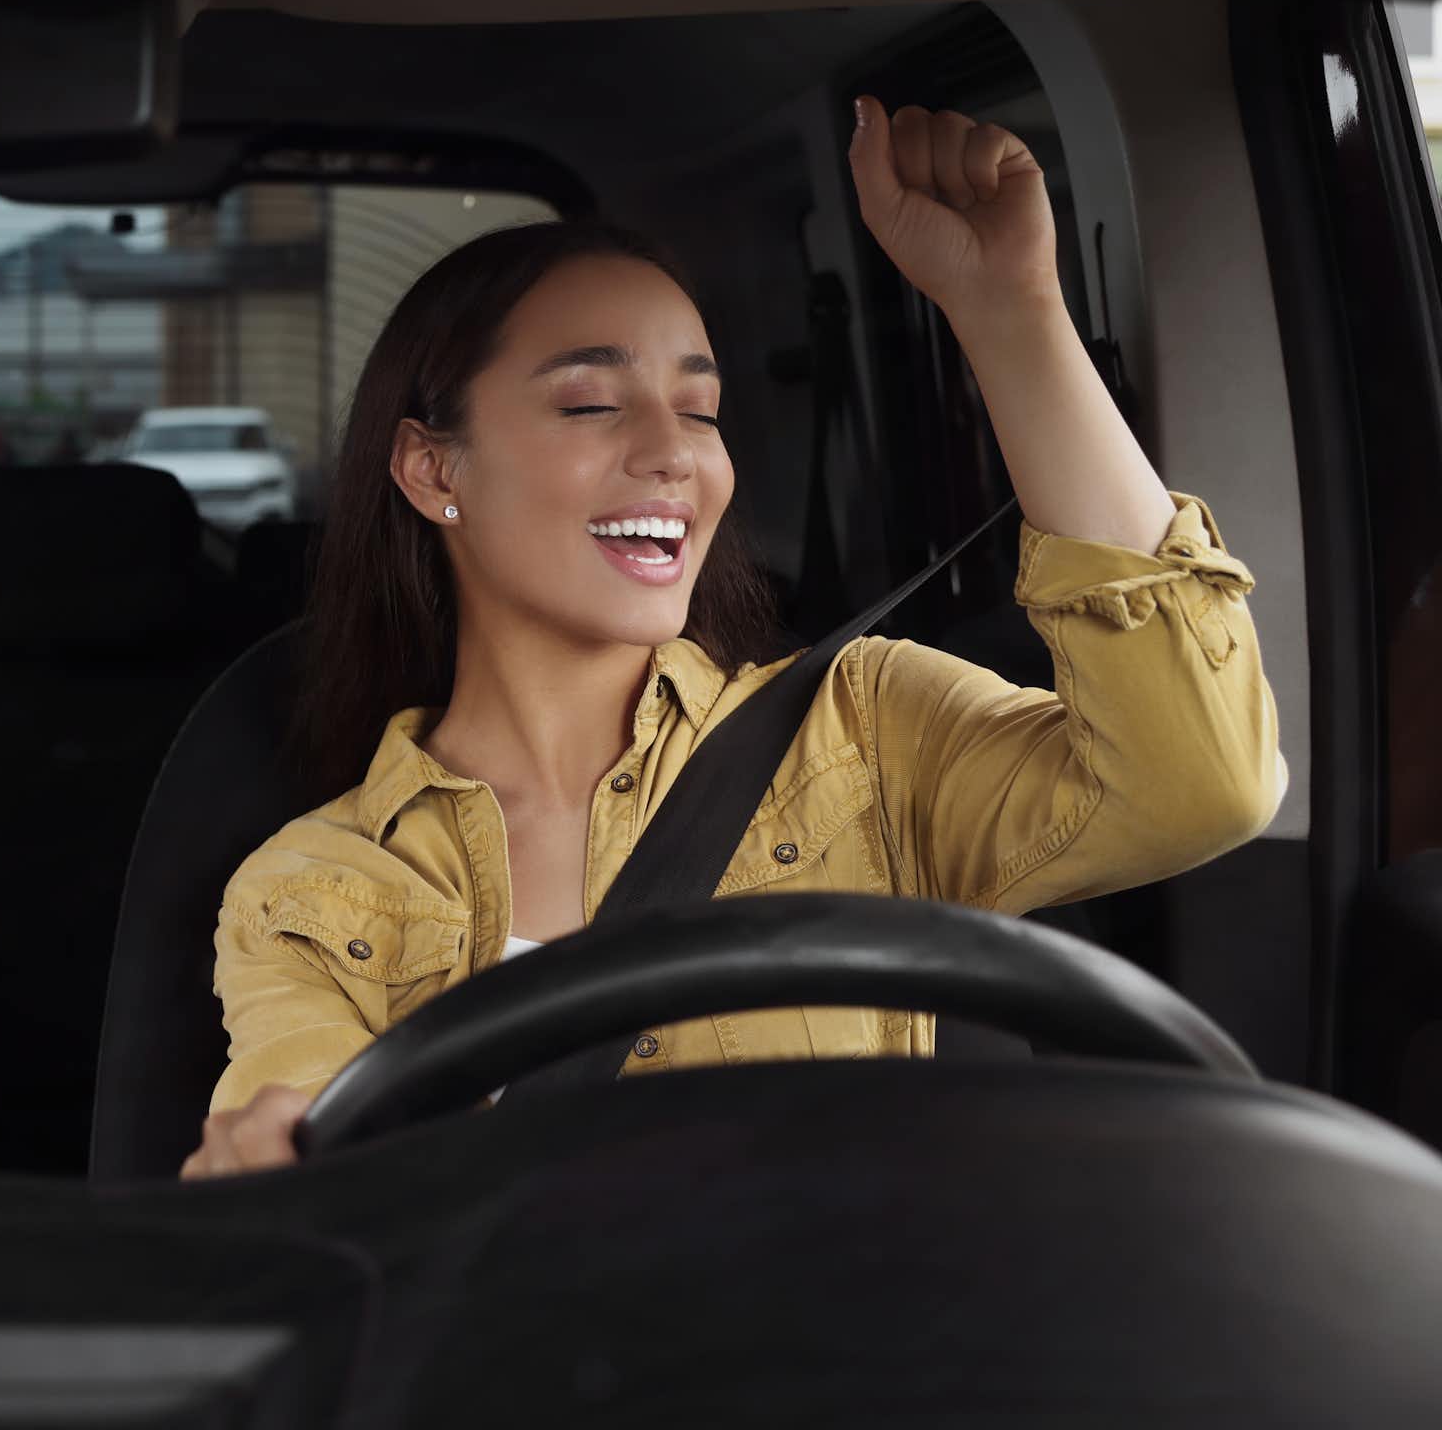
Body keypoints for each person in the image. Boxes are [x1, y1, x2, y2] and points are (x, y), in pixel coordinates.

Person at [182, 98, 1283, 1179]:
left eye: (701, 411)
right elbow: (298, 1171)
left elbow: (1199, 783)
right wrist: (270, 1160)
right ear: (433, 469)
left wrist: (1010, 311)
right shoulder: (316, 894)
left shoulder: (863, 733)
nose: (676, 456)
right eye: (589, 405)